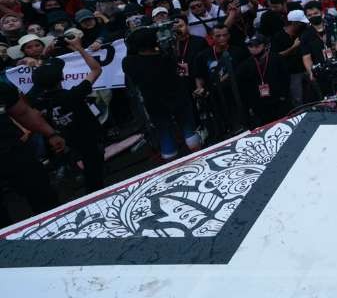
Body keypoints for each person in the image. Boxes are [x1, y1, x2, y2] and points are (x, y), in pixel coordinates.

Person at [30, 37, 105, 191]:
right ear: (63, 77)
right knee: (95, 171)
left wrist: (44, 56)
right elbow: (96, 69)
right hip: (90, 137)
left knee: (81, 164)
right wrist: (80, 48)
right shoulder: (74, 95)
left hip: (66, 139)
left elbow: (40, 77)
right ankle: (95, 193)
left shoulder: (37, 99)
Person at [122, 26, 204, 161]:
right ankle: (199, 155)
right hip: (178, 98)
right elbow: (180, 72)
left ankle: (172, 162)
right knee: (187, 127)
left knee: (164, 132)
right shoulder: (166, 58)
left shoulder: (129, 62)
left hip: (154, 103)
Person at [0, 80, 65, 228]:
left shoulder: (2, 86)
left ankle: (58, 230)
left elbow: (23, 112)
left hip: (13, 152)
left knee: (45, 198)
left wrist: (51, 134)